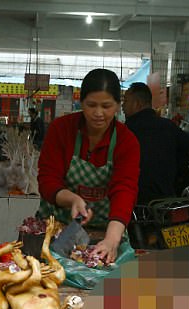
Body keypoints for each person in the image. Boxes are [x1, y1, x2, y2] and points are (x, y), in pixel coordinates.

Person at [37, 68, 140, 263]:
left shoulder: (126, 141)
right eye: (91, 105)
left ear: (118, 106)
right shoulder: (61, 129)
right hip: (56, 230)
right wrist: (72, 199)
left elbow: (125, 190)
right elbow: (47, 180)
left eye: (106, 106)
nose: (98, 113)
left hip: (105, 232)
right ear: (81, 102)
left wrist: (112, 240)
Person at [122, 82, 189, 204]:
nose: (122, 106)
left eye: (126, 101)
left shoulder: (126, 132)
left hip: (134, 202)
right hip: (167, 199)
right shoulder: (169, 126)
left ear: (137, 104)